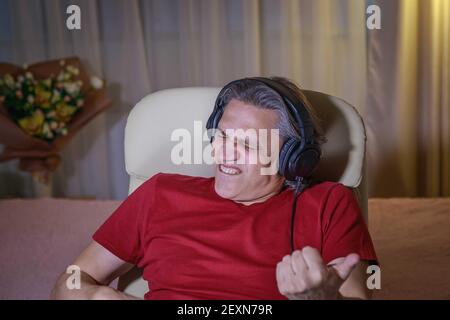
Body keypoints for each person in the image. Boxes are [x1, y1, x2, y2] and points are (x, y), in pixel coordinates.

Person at [51, 76, 377, 300]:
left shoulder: (329, 203)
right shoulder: (160, 193)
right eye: (221, 136)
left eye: (247, 145)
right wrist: (97, 294)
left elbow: (355, 294)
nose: (223, 153)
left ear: (292, 158)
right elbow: (70, 281)